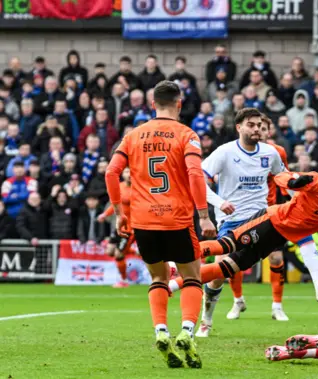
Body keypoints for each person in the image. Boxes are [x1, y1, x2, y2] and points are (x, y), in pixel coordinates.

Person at [195, 111, 318, 336]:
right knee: (219, 275)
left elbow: (283, 177)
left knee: (298, 230)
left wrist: (297, 194)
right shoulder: (224, 152)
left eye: (259, 125)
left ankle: (317, 286)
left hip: (264, 217)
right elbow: (198, 178)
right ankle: (206, 319)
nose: (256, 129)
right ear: (239, 127)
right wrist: (219, 202)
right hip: (232, 219)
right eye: (250, 125)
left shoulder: (271, 152)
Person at [105, 81, 216, 369]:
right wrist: (203, 215)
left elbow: (111, 172)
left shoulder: (133, 136)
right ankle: (188, 332)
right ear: (179, 104)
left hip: (143, 221)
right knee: (191, 277)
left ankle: (161, 331)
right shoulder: (187, 134)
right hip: (177, 219)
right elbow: (194, 173)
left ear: (152, 104)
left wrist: (119, 212)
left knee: (158, 278)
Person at [168, 163, 318, 295]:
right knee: (224, 246)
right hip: (271, 222)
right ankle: (173, 260)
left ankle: (171, 286)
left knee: (227, 269)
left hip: (280, 238)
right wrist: (295, 180)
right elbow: (281, 177)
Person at [99, 167, 134, 288]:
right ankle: (135, 251)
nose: (129, 174)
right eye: (126, 172)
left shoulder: (139, 188)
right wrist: (105, 214)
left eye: (131, 172)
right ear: (122, 174)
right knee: (109, 251)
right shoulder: (119, 186)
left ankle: (124, 281)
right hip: (119, 226)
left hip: (131, 228)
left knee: (119, 255)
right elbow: (115, 204)